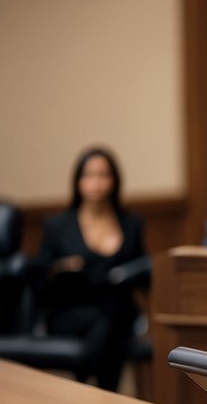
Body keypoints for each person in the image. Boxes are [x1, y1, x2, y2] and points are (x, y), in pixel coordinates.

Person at [35, 147, 146, 391]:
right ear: (77, 181)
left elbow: (143, 272)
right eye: (88, 175)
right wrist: (61, 268)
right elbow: (40, 277)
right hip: (70, 311)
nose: (96, 182)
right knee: (105, 321)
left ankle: (86, 389)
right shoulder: (57, 225)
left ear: (115, 180)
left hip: (118, 310)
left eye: (103, 174)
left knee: (112, 318)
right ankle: (102, 392)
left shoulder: (131, 224)